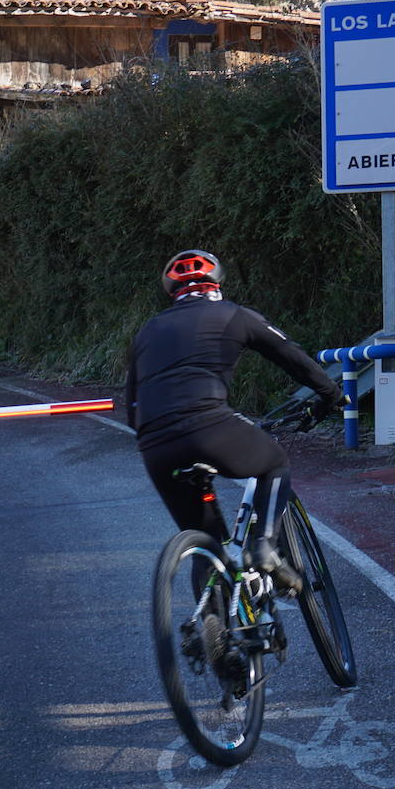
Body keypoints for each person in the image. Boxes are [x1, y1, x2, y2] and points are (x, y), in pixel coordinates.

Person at [125, 250, 345, 595]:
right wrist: (331, 395)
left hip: (155, 447)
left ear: (172, 293)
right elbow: (293, 356)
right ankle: (266, 547)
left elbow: (132, 404)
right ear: (216, 284)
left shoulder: (147, 332)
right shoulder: (234, 315)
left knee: (206, 547)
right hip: (209, 426)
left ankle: (214, 640)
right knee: (274, 463)